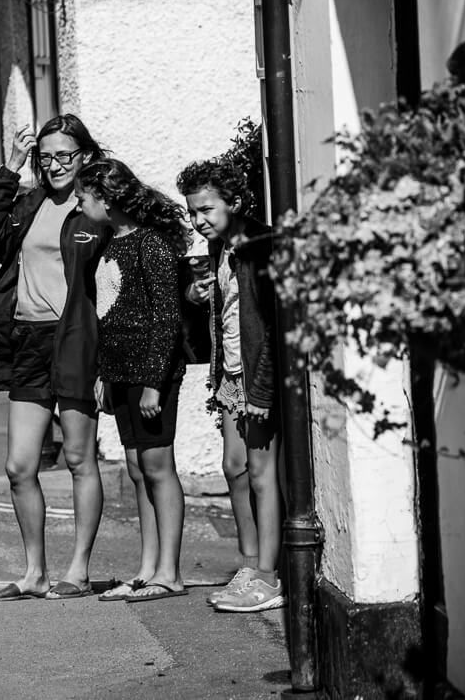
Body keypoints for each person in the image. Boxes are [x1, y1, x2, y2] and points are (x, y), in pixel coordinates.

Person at [0, 114, 109, 601]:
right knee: (18, 466)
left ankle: (79, 570)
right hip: (27, 340)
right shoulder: (30, 203)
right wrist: (11, 168)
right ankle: (34, 573)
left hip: (74, 341)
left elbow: (110, 285)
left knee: (77, 458)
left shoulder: (95, 211)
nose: (55, 165)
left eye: (64, 155)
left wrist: (107, 360)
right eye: (46, 157)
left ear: (84, 156)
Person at [74, 158, 191, 603]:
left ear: (107, 198)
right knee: (138, 470)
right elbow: (109, 316)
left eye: (85, 196)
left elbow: (166, 318)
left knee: (160, 468)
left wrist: (154, 383)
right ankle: (147, 568)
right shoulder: (109, 243)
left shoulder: (151, 245)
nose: (81, 203)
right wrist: (105, 373)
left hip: (151, 377)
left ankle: (170, 572)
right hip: (120, 375)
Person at [176, 158, 284, 612]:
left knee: (262, 475)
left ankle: (269, 576)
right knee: (233, 468)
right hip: (232, 377)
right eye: (192, 212)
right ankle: (247, 562)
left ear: (235, 203)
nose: (199, 220)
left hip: (258, 379)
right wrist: (197, 296)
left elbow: (274, 326)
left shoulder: (259, 246)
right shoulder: (222, 249)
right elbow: (227, 318)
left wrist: (261, 392)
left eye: (206, 210)